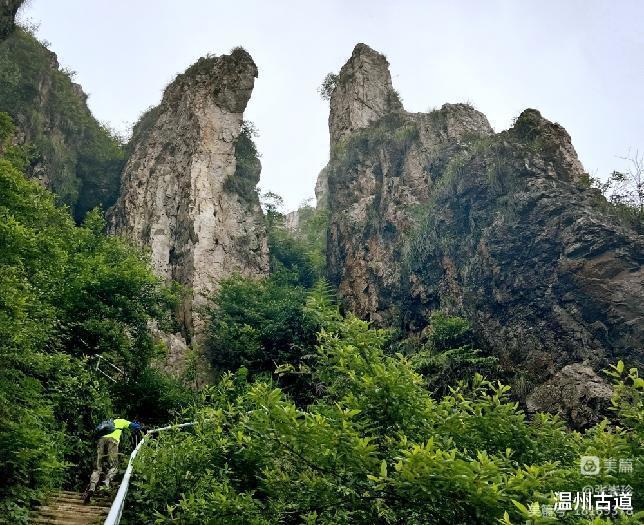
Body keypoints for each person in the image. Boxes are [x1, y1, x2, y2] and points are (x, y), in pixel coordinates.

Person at [83, 418, 142, 503]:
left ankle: (92, 487)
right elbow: (135, 426)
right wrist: (140, 426)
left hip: (101, 441)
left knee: (97, 467)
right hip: (113, 441)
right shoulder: (121, 421)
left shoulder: (106, 423)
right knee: (114, 465)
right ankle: (106, 482)